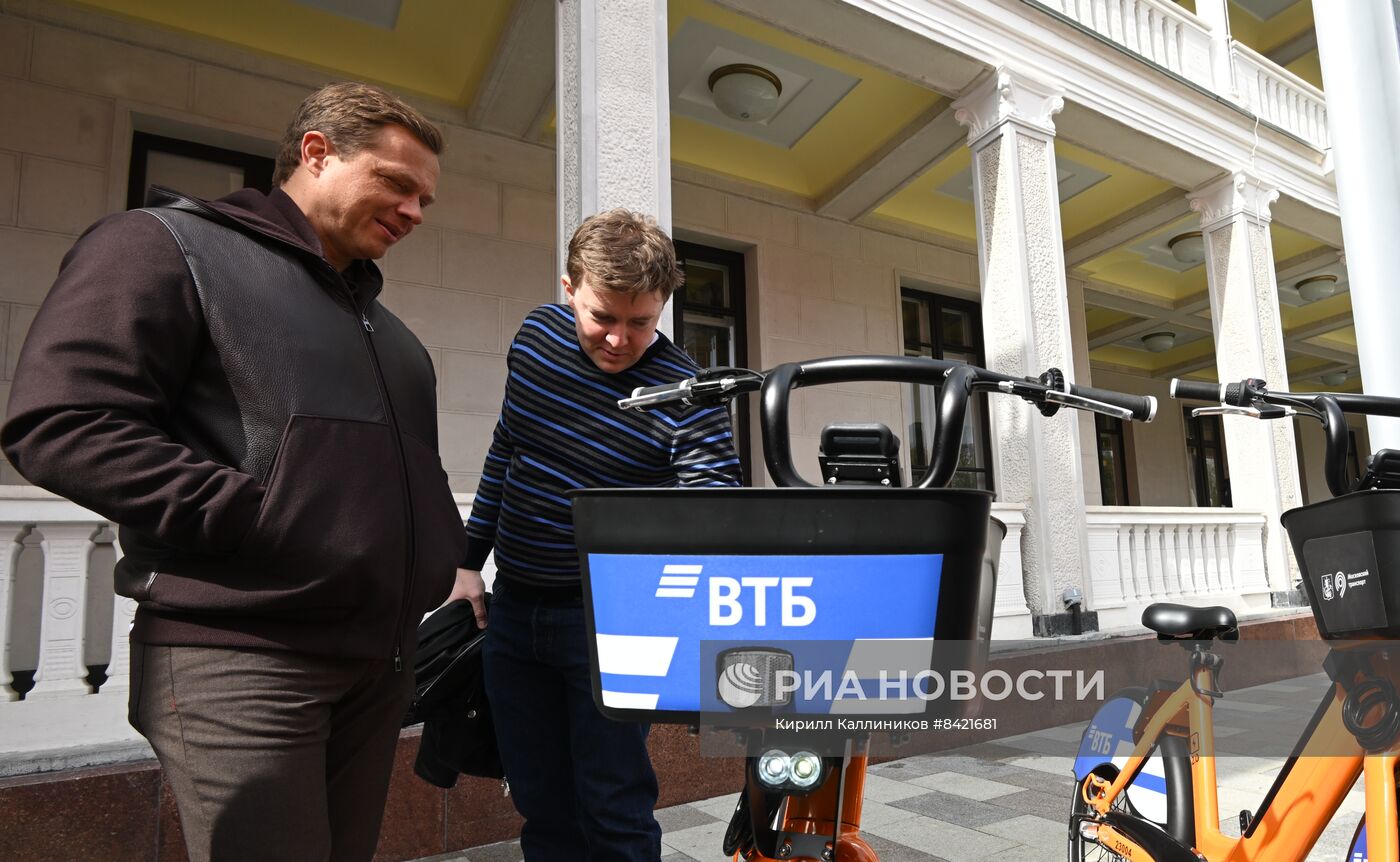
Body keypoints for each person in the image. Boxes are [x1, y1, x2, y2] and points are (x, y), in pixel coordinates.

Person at [1, 82, 466, 862]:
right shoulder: (161, 244)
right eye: (397, 183)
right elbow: (62, 423)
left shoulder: (398, 340)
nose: (415, 211)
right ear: (316, 152)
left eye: (426, 198)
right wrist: (263, 516)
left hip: (378, 666)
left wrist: (436, 560)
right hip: (240, 657)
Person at [449, 209, 742, 860]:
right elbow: (508, 450)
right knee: (540, 806)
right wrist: (468, 560)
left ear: (663, 304)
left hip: (613, 625)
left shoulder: (687, 393)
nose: (617, 339)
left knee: (614, 808)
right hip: (515, 612)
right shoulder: (534, 338)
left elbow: (714, 514)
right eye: (601, 317)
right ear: (568, 288)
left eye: (641, 322)